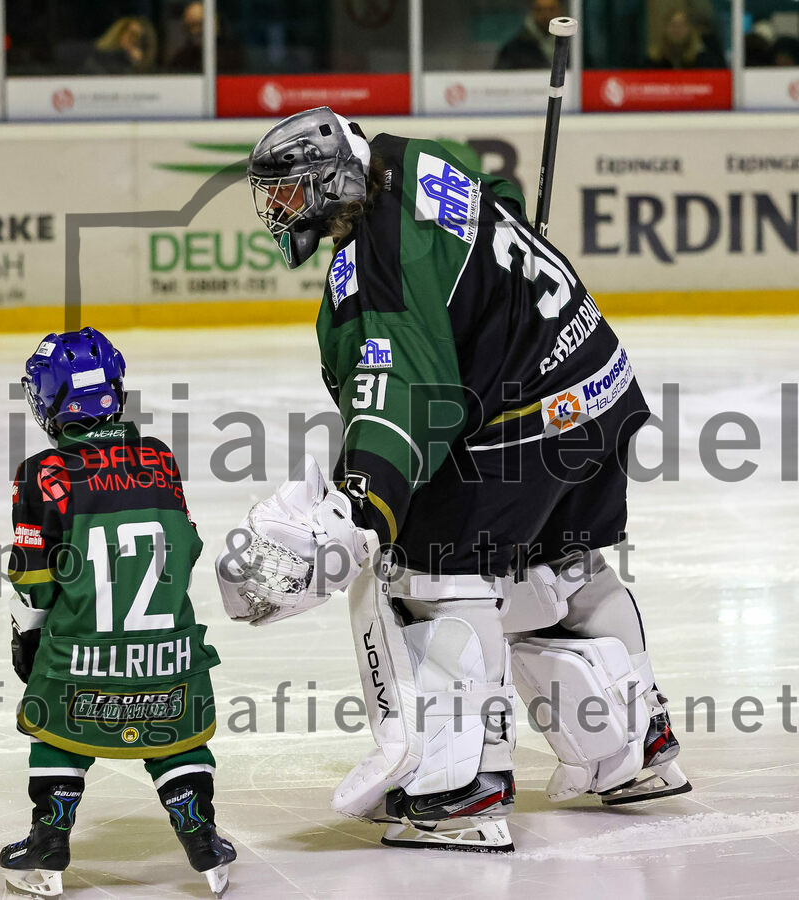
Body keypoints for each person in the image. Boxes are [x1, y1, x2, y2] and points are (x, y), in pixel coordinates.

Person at [217, 107, 691, 853]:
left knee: (424, 569)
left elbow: (403, 392)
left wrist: (365, 503)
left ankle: (455, 790)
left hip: (526, 413)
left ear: (333, 180)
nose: (279, 211)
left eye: (290, 192)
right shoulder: (411, 155)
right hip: (596, 381)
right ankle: (631, 749)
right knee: (553, 570)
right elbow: (494, 190)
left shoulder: (374, 268)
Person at [1, 328, 236, 897]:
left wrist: (28, 641)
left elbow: (33, 579)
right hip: (169, 652)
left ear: (51, 400)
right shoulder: (160, 458)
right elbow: (188, 545)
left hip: (81, 653)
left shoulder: (43, 474)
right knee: (177, 736)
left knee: (56, 728)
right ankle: (200, 836)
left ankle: (49, 839)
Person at [646, 5, 725, 68]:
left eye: (681, 25)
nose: (677, 30)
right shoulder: (654, 62)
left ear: (690, 29)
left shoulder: (703, 61)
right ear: (665, 29)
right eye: (673, 25)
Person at [495, 0, 564, 70]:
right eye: (539, 10)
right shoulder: (514, 49)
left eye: (551, 9)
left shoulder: (573, 44)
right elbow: (500, 75)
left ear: (560, 11)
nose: (546, 15)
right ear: (532, 12)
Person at [82, 16, 157, 75]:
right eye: (131, 34)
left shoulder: (151, 72)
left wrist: (137, 64)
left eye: (139, 38)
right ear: (119, 32)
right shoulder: (95, 61)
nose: (133, 40)